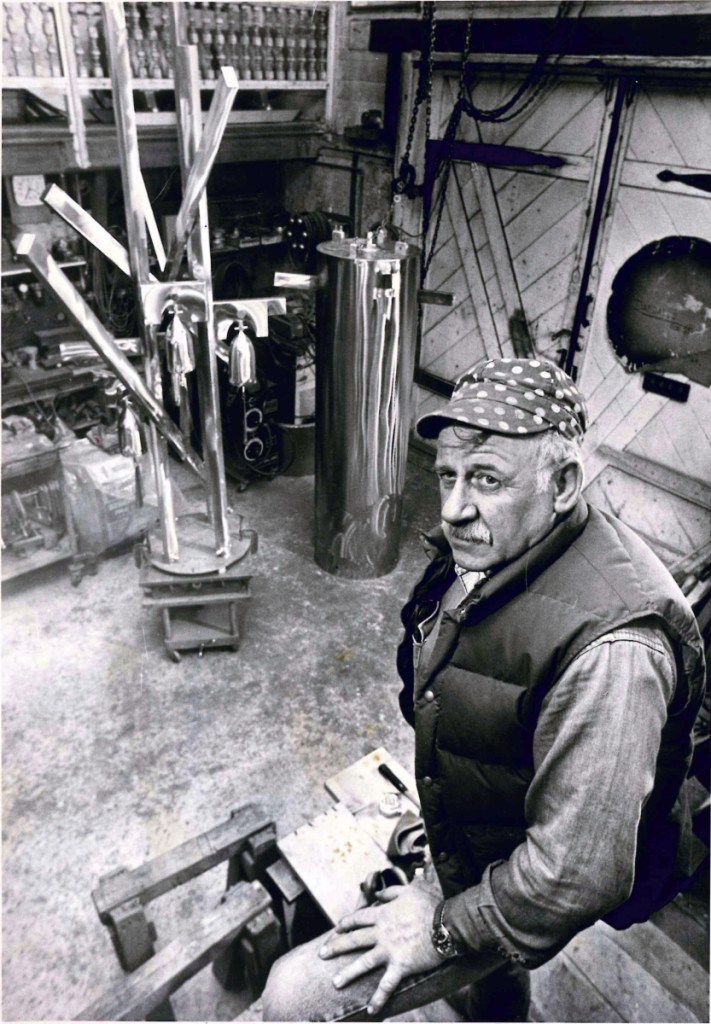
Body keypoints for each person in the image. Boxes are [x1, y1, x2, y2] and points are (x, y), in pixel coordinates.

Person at [262, 356, 705, 1022]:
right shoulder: (506, 543)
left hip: (523, 866)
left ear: (561, 484)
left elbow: (572, 874)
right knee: (487, 989)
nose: (450, 508)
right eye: (446, 475)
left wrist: (440, 925)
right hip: (482, 816)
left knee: (290, 996)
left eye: (486, 479)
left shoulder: (614, 654)